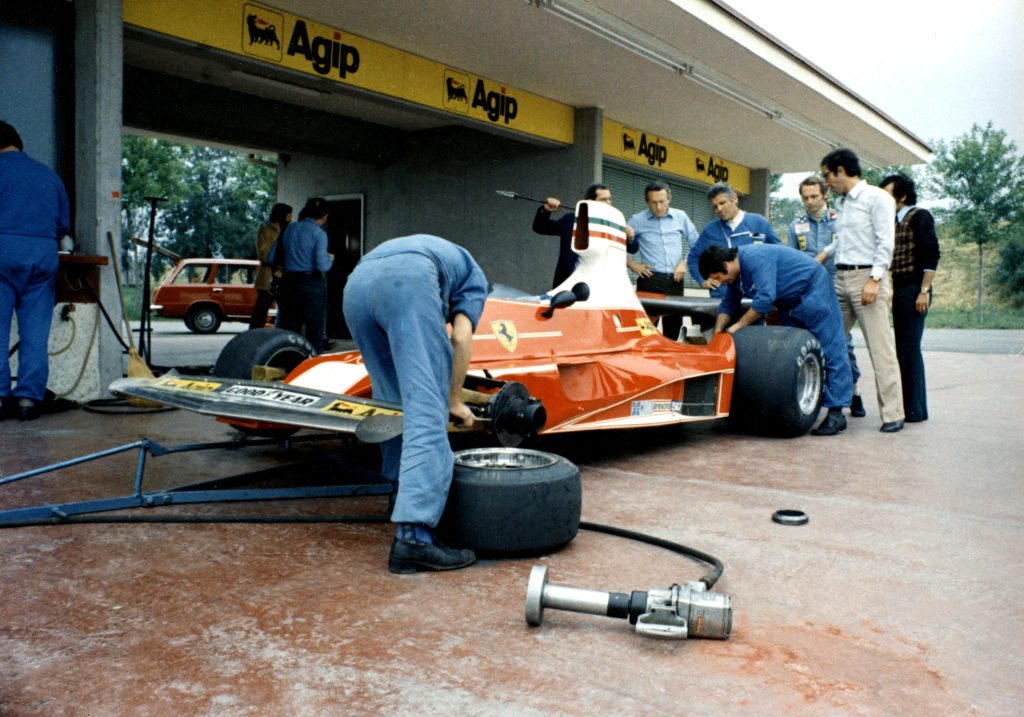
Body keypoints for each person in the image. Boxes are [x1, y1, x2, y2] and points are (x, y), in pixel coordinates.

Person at [342, 234, 489, 574]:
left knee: (392, 402)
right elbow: (460, 336)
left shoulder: (442, 252)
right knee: (427, 409)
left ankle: (399, 492)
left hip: (357, 285)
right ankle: (415, 538)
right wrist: (453, 399)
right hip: (407, 281)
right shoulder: (475, 278)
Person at [699, 244, 853, 436]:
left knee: (830, 349)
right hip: (788, 303)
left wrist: (738, 327)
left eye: (717, 277)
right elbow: (728, 305)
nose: (719, 282)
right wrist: (718, 333)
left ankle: (837, 413)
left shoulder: (754, 258)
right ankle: (802, 401)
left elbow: (764, 300)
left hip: (814, 291)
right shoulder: (735, 278)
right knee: (789, 356)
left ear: (725, 265)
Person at [820, 148, 904, 432]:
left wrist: (875, 279)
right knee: (830, 344)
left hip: (867, 279)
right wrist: (823, 255)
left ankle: (893, 414)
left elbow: (885, 242)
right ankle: (837, 410)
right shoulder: (842, 204)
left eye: (827, 175)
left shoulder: (878, 198)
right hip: (840, 279)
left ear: (841, 170)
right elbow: (845, 241)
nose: (826, 182)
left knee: (880, 349)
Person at [0, 121, 70, 421]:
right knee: (35, 333)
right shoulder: (49, 175)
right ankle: (29, 398)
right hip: (43, 256)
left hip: (2, 252)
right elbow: (63, 226)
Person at [786, 175, 866, 418]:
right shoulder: (795, 225)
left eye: (814, 196)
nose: (809, 202)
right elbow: (791, 257)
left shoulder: (840, 220)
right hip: (808, 292)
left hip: (836, 286)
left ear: (825, 195)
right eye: (805, 197)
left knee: (842, 342)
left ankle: (853, 392)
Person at [880, 173, 940, 423]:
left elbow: (931, 253)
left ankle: (914, 410)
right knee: (905, 349)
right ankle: (913, 408)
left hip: (915, 288)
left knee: (909, 350)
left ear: (902, 196)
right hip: (901, 287)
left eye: (888, 195)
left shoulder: (919, 216)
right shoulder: (893, 221)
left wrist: (924, 291)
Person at [626, 181, 699, 340]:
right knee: (644, 330)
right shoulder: (637, 220)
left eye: (661, 201)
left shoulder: (681, 217)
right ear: (647, 202)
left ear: (669, 199)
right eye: (653, 202)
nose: (658, 207)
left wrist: (684, 262)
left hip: (675, 280)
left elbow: (697, 244)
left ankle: (668, 363)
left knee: (673, 330)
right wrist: (632, 265)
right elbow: (614, 243)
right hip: (649, 280)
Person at [687, 182, 781, 299]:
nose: (719, 209)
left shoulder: (759, 222)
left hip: (754, 298)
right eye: (715, 206)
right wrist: (703, 280)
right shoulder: (710, 230)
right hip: (721, 298)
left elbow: (779, 255)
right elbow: (693, 258)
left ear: (734, 199)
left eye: (722, 203)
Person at [532, 183, 630, 288]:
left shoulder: (612, 224)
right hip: (569, 283)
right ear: (589, 201)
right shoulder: (571, 220)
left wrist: (630, 236)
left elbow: (633, 247)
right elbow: (540, 227)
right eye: (604, 199)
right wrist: (546, 209)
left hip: (600, 285)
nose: (609, 203)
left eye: (610, 199)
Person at [275, 197, 332, 352]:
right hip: (310, 283)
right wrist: (330, 259)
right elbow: (322, 265)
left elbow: (276, 256)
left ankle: (288, 362)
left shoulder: (289, 229)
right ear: (324, 216)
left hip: (289, 282)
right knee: (315, 330)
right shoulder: (319, 234)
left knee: (289, 328)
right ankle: (313, 367)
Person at [249, 202, 292, 329]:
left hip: (283, 276)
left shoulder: (287, 230)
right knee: (261, 310)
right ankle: (254, 335)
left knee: (286, 309)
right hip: (268, 276)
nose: (290, 219)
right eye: (289, 215)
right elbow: (263, 254)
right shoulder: (266, 230)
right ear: (281, 216)